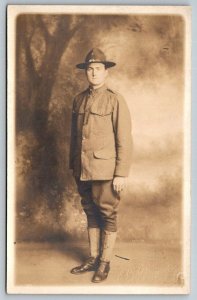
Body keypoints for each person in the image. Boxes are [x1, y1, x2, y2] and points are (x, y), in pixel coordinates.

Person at [69, 48, 132, 283]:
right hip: (82, 167)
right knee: (90, 211)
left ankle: (105, 262)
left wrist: (121, 173)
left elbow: (124, 139)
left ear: (106, 72)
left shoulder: (115, 99)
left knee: (107, 212)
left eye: (98, 69)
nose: (93, 73)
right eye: (90, 69)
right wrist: (73, 165)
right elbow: (74, 137)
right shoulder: (78, 99)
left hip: (105, 170)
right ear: (85, 72)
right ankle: (93, 257)